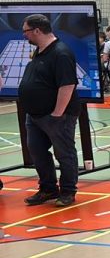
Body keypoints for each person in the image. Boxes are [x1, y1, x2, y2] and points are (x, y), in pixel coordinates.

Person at [18, 13, 82, 208]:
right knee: (37, 151)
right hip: (35, 115)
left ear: (37, 30)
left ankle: (68, 191)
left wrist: (57, 113)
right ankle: (48, 188)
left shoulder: (61, 53)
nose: (24, 35)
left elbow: (67, 85)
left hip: (57, 116)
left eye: (26, 31)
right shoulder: (39, 51)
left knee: (64, 153)